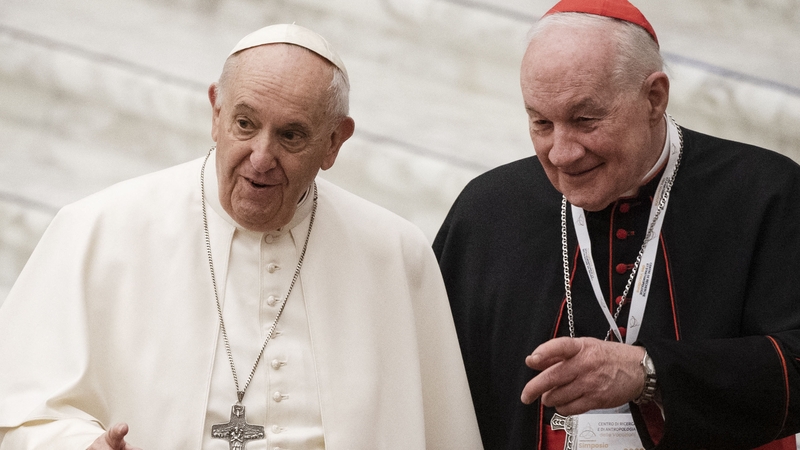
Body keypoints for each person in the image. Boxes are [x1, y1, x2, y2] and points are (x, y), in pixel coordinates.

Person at [0, 24, 482, 449]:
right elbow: (17, 416)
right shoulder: (98, 230)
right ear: (216, 112)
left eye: (291, 135)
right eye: (245, 124)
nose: (260, 157)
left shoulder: (395, 254)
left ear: (335, 141)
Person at [433, 0, 800, 449]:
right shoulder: (487, 210)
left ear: (654, 97)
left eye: (585, 120)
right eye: (541, 123)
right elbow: (432, 379)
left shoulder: (765, 194)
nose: (562, 153)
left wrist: (648, 372)